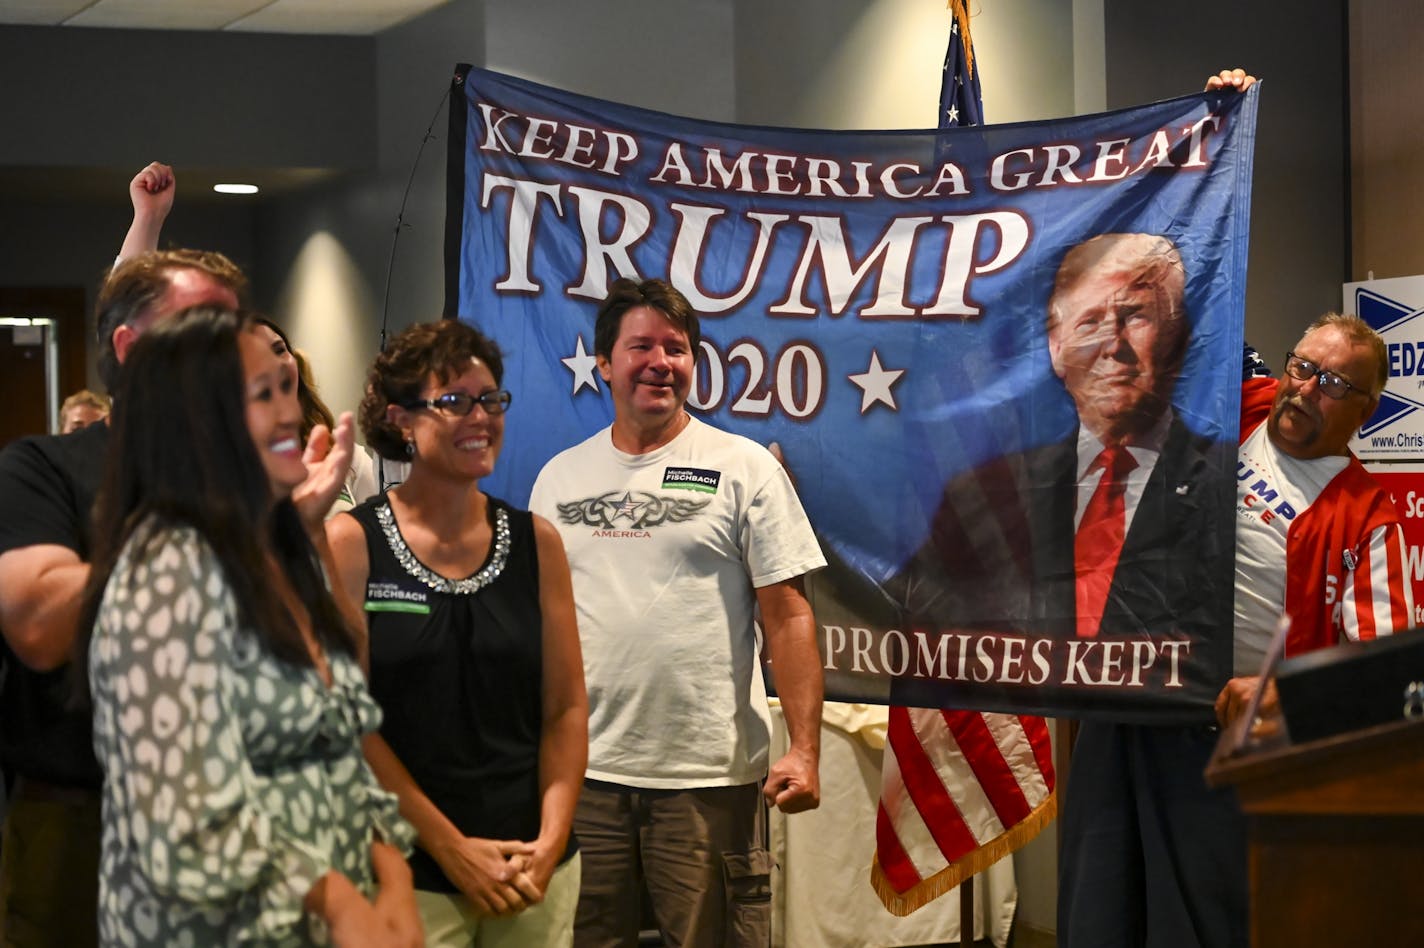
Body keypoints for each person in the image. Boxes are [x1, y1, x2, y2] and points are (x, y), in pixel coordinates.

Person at [77, 306, 422, 946]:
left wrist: (392, 875)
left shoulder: (276, 549)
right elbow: (181, 817)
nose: (290, 413)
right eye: (261, 396)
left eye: (285, 388)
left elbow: (341, 738)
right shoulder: (164, 571)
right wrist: (343, 904)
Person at [528, 277, 826, 948]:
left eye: (677, 347)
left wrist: (805, 750)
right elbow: (539, 628)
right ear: (603, 363)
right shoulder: (559, 478)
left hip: (707, 782)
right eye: (641, 346)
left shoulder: (744, 468)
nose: (660, 362)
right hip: (585, 779)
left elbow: (790, 616)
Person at [875, 232, 1234, 715]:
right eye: (1090, 321)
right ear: (1056, 349)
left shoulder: (1228, 481)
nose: (1113, 345)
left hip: (1173, 744)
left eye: (1136, 316)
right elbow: (903, 621)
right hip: (1035, 755)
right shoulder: (981, 495)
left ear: (1180, 334)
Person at [0, 248, 243, 946]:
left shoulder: (257, 475)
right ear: (131, 348)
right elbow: (39, 626)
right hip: (82, 819)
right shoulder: (44, 468)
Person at [326, 320, 587, 946]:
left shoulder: (536, 541)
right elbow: (346, 723)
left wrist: (551, 842)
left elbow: (567, 708)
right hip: (403, 870)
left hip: (531, 870)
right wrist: (450, 850)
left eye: (491, 400)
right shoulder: (350, 542)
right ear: (401, 420)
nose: (481, 417)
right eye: (454, 402)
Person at [255, 317, 381, 514]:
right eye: (257, 358)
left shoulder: (342, 455)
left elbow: (381, 530)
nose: (275, 364)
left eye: (279, 350)